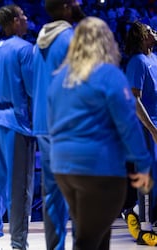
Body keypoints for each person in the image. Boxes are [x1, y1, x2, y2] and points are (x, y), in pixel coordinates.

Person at [47, 16, 152, 250]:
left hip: (64, 167)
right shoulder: (109, 75)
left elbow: (52, 120)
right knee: (93, 237)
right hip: (98, 166)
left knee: (90, 232)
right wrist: (143, 163)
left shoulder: (59, 78)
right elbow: (128, 123)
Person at [31, 0, 85, 249]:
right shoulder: (71, 38)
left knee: (53, 195)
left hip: (44, 122)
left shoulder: (38, 41)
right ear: (65, 6)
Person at [0, 4, 35, 250]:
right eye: (24, 16)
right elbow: (34, 90)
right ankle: (18, 243)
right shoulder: (25, 49)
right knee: (21, 187)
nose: (27, 20)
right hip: (18, 122)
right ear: (15, 21)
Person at [123, 21, 157, 246]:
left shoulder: (153, 58)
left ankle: (135, 212)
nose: (155, 32)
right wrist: (152, 130)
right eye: (151, 30)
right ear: (143, 37)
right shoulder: (137, 62)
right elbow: (135, 100)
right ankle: (144, 228)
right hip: (144, 127)